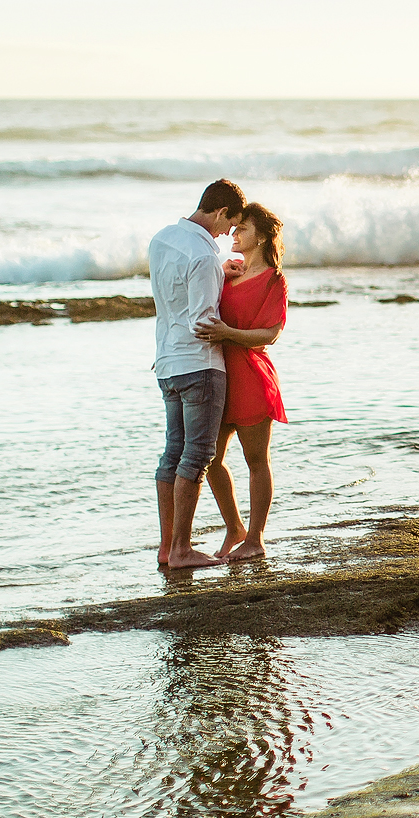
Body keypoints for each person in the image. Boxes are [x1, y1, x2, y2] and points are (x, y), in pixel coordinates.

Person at [149, 179, 246, 568]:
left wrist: (217, 274)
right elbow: (203, 322)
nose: (227, 235)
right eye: (229, 224)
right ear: (221, 212)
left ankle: (166, 547)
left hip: (167, 362)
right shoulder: (205, 257)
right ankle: (182, 550)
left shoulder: (162, 239)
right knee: (198, 455)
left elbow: (174, 294)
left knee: (172, 453)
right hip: (200, 366)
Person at [196, 202, 289, 562]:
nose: (234, 234)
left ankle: (255, 538)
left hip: (250, 374)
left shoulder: (274, 279)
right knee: (210, 459)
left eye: (242, 229)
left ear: (262, 236)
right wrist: (221, 275)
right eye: (234, 229)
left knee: (256, 460)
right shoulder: (231, 272)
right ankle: (234, 526)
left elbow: (270, 333)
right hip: (219, 374)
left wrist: (227, 332)